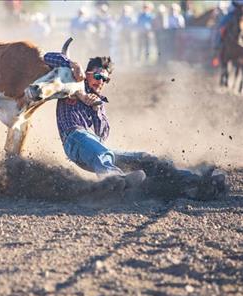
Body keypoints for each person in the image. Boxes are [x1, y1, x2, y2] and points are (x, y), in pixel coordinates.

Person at [42, 52, 227, 198]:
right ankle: (115, 181)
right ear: (88, 73)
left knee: (146, 159)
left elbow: (103, 134)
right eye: (98, 76)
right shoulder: (73, 83)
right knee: (101, 152)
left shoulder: (99, 103)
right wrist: (73, 65)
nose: (101, 82)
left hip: (95, 146)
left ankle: (194, 181)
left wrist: (96, 108)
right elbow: (48, 57)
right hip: (74, 139)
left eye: (105, 79)